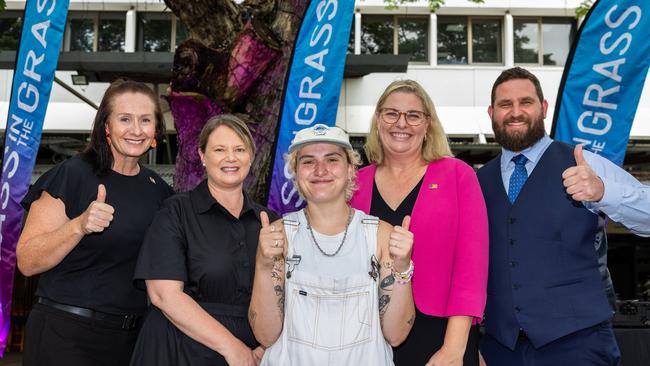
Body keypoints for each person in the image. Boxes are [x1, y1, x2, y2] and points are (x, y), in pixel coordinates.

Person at [476, 66, 642, 365]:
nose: (516, 112)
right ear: (491, 112)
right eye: (505, 104)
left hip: (578, 342)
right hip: (501, 347)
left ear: (543, 108)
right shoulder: (478, 180)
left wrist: (604, 191)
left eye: (525, 102)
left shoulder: (584, 163)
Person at [17, 79, 173, 366]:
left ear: (156, 131)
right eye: (125, 119)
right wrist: (79, 225)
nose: (136, 130)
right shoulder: (73, 174)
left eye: (145, 120)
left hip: (131, 343)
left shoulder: (159, 190)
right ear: (106, 126)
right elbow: (27, 261)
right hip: (66, 338)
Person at [249, 124, 415, 365]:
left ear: (350, 169)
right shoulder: (276, 237)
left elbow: (397, 335)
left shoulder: (381, 235)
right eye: (307, 162)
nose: (320, 170)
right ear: (295, 172)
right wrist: (265, 265)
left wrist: (401, 267)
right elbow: (265, 334)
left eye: (332, 159)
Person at [350, 79, 489, 366]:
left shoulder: (458, 175)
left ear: (428, 124)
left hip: (440, 333)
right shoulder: (355, 183)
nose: (401, 123)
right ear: (378, 120)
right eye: (391, 113)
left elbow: (471, 267)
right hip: (368, 337)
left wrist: (453, 349)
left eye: (413, 115)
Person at [129, 114, 276, 366]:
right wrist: (234, 349)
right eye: (219, 149)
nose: (230, 157)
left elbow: (285, 295)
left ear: (250, 156)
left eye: (239, 149)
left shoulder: (269, 221)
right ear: (202, 156)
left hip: (254, 354)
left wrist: (266, 347)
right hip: (180, 347)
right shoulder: (176, 212)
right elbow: (164, 295)